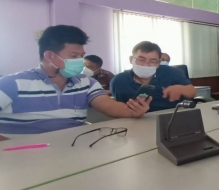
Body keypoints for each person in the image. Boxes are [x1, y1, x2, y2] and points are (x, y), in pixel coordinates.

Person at [0, 25, 151, 135]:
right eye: (74, 56)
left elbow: (109, 106)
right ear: (50, 56)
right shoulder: (11, 84)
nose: (80, 61)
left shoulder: (86, 83)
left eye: (81, 56)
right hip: (20, 157)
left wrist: (133, 111)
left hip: (71, 151)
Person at [110, 41, 196, 112]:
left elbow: (192, 92)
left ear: (158, 63)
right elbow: (120, 108)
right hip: (136, 119)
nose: (146, 64)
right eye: (141, 59)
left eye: (152, 61)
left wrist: (180, 89)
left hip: (171, 115)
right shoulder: (119, 81)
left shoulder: (173, 72)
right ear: (131, 59)